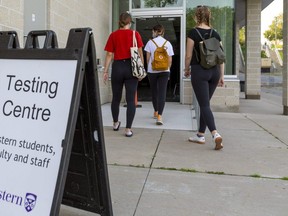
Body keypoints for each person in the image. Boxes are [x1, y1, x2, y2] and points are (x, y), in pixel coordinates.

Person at [184, 5, 224, 150]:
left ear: (196, 16)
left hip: (199, 71)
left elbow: (188, 55)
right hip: (214, 72)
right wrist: (222, 76)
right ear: (209, 16)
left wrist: (186, 69)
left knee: (204, 105)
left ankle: (215, 134)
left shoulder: (193, 33)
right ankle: (200, 134)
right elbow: (221, 57)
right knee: (204, 103)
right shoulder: (216, 33)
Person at [103, 12, 144, 137]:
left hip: (117, 67)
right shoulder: (135, 34)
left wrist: (105, 70)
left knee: (116, 98)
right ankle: (128, 129)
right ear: (129, 22)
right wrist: (140, 68)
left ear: (119, 22)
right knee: (131, 100)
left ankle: (115, 123)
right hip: (131, 67)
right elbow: (140, 53)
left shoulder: (113, 35)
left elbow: (109, 54)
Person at [144, 24, 174, 125]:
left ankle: (156, 111)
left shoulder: (150, 42)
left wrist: (149, 67)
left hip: (152, 71)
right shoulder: (168, 43)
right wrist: (167, 69)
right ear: (163, 32)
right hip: (165, 71)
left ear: (154, 31)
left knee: (154, 91)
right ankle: (160, 116)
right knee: (162, 92)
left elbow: (147, 59)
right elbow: (170, 59)